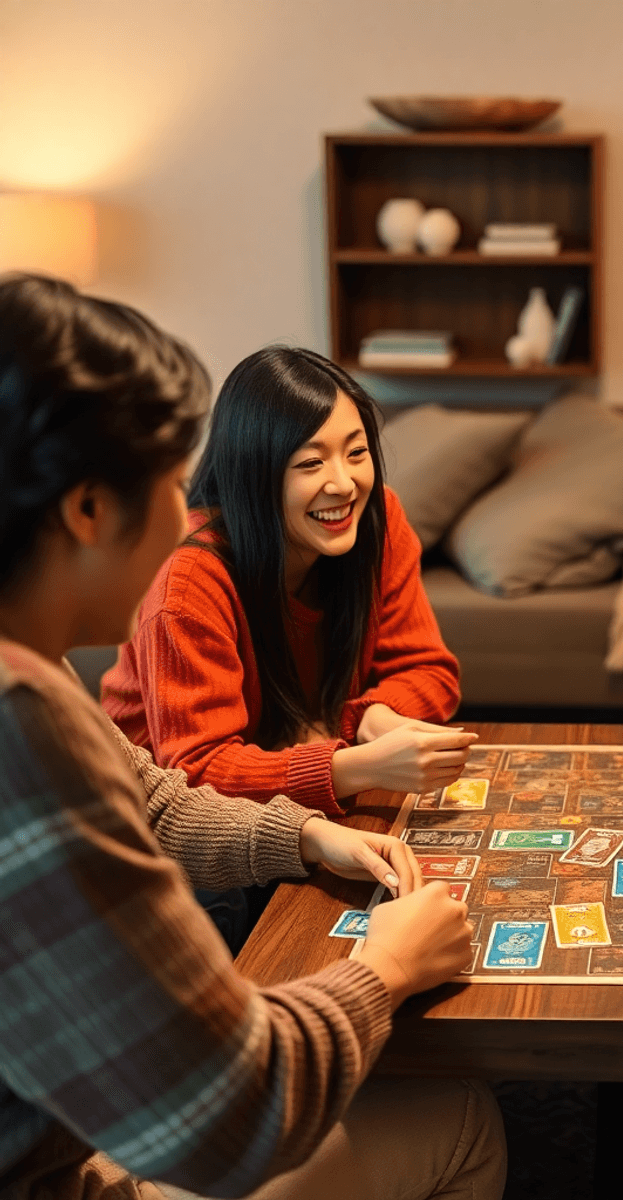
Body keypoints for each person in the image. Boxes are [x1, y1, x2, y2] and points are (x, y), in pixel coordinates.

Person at [0, 274, 505, 1199]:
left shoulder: (36, 687)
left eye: (356, 453)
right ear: (85, 509)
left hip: (87, 1133)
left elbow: (154, 796)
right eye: (166, 475)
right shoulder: (24, 726)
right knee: (468, 1116)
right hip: (84, 1176)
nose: (185, 507)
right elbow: (233, 1116)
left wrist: (306, 830)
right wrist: (384, 969)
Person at [102, 346, 475, 815]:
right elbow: (195, 775)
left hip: (296, 809)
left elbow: (431, 672)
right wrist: (357, 765)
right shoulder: (188, 579)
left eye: (356, 452)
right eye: (310, 463)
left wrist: (367, 720)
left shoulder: (378, 518)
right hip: (160, 833)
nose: (344, 484)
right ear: (254, 477)